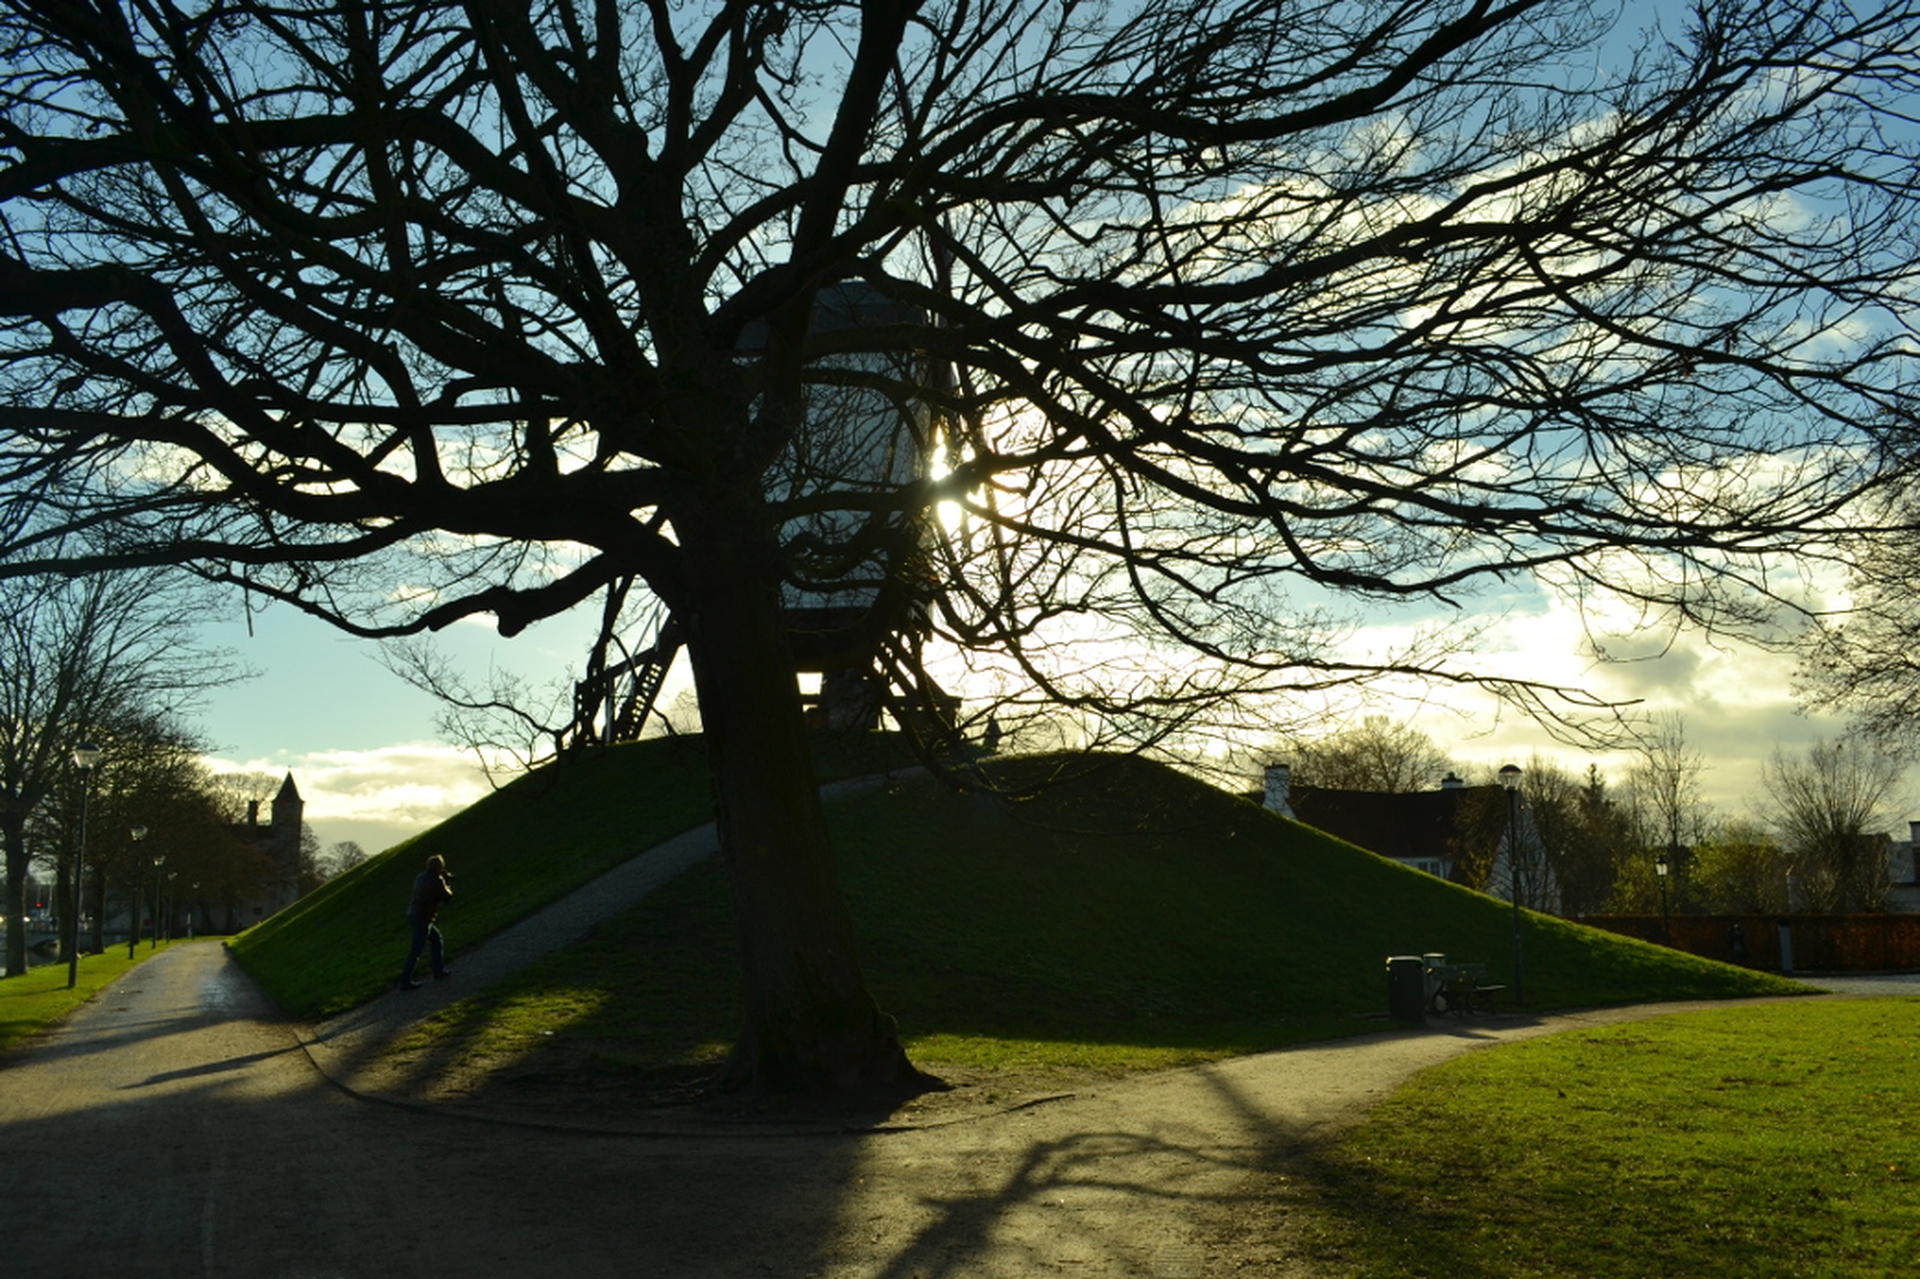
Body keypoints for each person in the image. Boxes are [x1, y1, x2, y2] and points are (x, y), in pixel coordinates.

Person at [399, 854, 455, 990]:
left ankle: (438, 971)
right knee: (417, 950)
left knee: (436, 940)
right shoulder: (436, 880)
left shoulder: (420, 877)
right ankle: (405, 981)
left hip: (414, 913)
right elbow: (447, 897)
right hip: (423, 917)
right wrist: (447, 883)